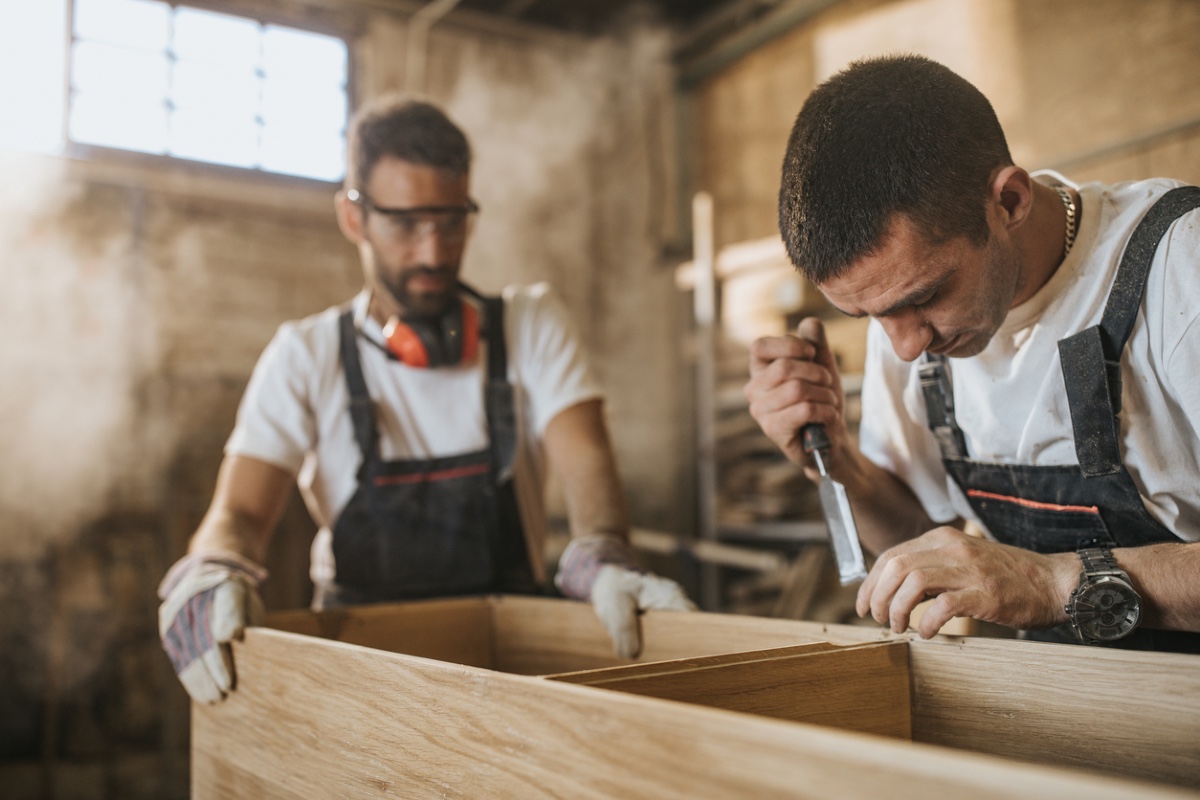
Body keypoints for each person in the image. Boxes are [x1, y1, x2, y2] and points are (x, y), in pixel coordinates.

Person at [158, 95, 694, 703]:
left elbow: (588, 465)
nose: (434, 252)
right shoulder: (304, 356)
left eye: (451, 221)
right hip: (356, 668)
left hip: (507, 671)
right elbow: (239, 515)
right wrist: (214, 568)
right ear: (353, 218)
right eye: (407, 224)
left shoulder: (529, 324)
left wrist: (601, 553)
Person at [745, 55, 1200, 652]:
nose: (906, 348)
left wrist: (1051, 583)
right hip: (1051, 713)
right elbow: (919, 535)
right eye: (870, 317)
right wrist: (837, 464)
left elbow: (1035, 586)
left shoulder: (1179, 268)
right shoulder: (908, 318)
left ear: (1008, 201)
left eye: (928, 295)